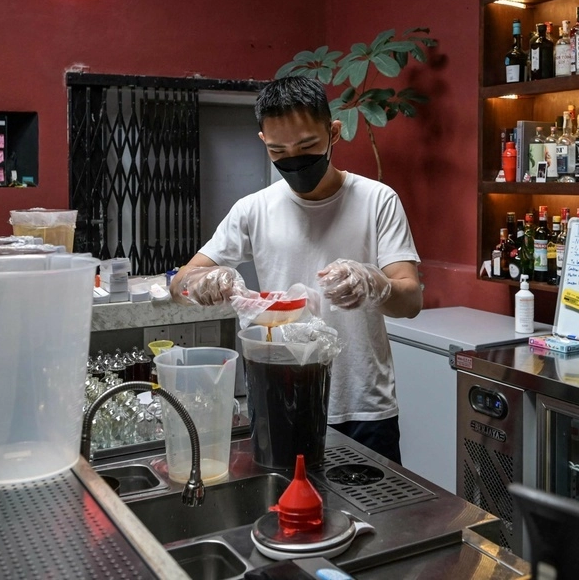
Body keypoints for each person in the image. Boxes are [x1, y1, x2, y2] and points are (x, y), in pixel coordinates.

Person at [172, 75, 422, 463]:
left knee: (373, 520)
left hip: (363, 406)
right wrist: (201, 283)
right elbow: (180, 284)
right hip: (280, 396)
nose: (294, 160)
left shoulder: (377, 201)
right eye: (278, 150)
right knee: (285, 514)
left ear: (333, 132)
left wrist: (377, 286)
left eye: (307, 146)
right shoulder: (253, 209)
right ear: (263, 143)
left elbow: (411, 299)